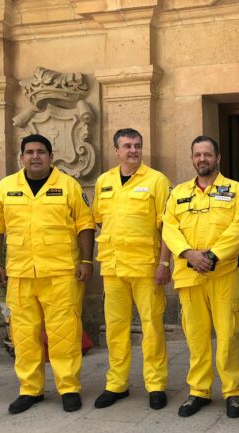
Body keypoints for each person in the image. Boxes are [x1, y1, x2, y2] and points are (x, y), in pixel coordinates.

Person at [0, 134, 95, 413]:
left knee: (65, 333)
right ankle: (30, 389)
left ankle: (68, 387)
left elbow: (85, 225)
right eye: (29, 152)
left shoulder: (68, 186)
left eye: (41, 152)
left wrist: (86, 261)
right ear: (21, 157)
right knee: (23, 334)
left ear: (50, 156)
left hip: (60, 273)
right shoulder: (5, 187)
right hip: (20, 274)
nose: (35, 156)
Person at [162, 135, 239, 418]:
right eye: (198, 154)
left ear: (218, 158)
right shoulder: (177, 193)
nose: (203, 159)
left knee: (228, 336)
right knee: (196, 337)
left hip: (223, 273)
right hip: (189, 275)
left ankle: (232, 392)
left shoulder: (236, 191)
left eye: (208, 154)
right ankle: (198, 391)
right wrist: (188, 253)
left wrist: (211, 257)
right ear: (192, 159)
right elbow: (169, 227)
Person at [92, 128, 172, 411]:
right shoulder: (104, 182)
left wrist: (164, 263)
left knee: (152, 328)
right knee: (116, 329)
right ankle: (116, 384)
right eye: (127, 146)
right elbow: (100, 220)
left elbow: (168, 226)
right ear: (116, 150)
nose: (133, 150)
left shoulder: (157, 181)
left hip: (146, 268)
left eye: (137, 145)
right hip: (112, 267)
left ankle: (155, 384)